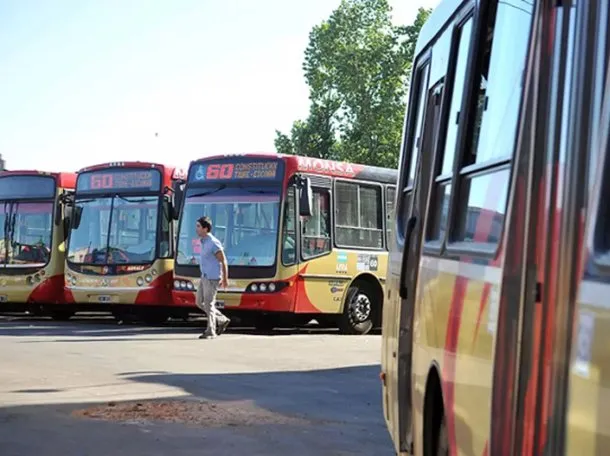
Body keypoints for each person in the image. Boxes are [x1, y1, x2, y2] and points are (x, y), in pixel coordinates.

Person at [195, 216, 230, 339]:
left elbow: (223, 260)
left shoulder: (213, 242)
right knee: (199, 302)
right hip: (204, 276)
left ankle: (211, 331)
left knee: (209, 304)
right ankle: (221, 319)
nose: (196, 229)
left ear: (205, 228)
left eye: (198, 226)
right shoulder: (203, 241)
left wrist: (225, 278)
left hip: (212, 278)